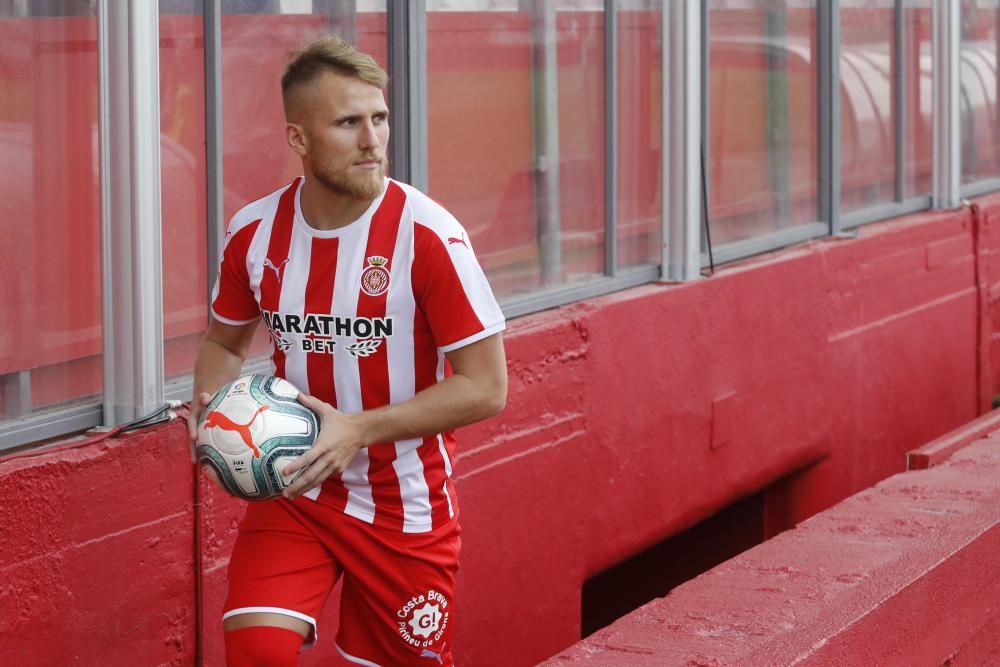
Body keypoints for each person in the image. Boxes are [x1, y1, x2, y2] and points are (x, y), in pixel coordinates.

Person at [186, 34, 507, 667]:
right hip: (296, 490)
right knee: (256, 653)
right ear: (299, 139)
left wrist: (357, 430)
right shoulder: (253, 232)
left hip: (404, 504)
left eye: (379, 118)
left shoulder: (429, 235)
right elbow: (224, 341)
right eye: (349, 122)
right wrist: (213, 411)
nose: (373, 140)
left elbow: (486, 387)